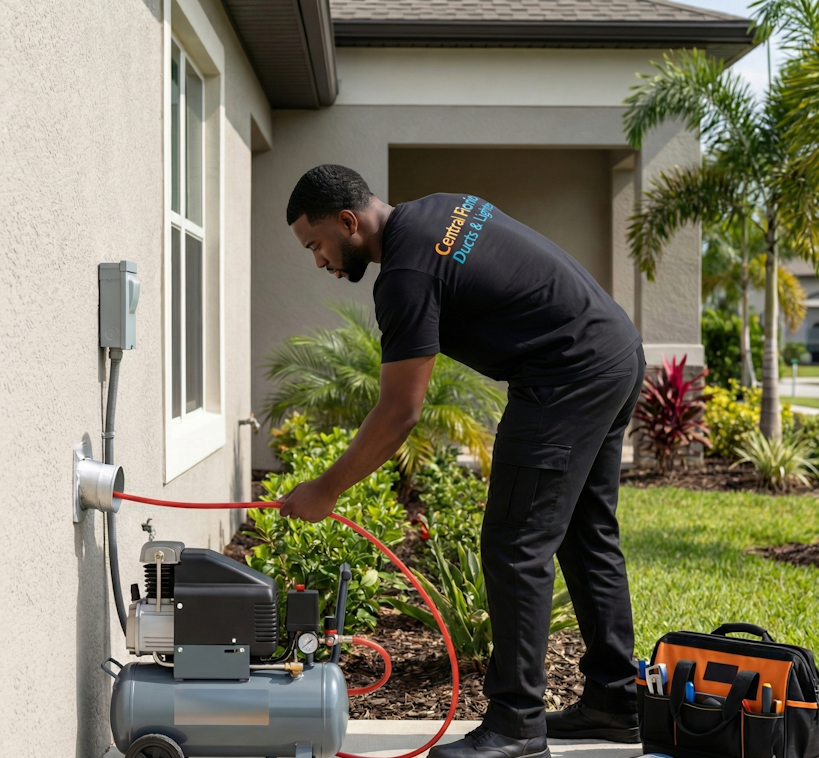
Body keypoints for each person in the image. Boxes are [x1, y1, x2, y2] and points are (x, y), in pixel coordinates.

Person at [281, 164, 645, 756]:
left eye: (315, 245)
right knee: (586, 535)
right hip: (614, 349)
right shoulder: (440, 208)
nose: (319, 261)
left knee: (515, 543)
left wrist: (325, 488)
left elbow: (400, 412)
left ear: (348, 222)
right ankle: (616, 702)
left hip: (565, 375)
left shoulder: (404, 275)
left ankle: (516, 725)